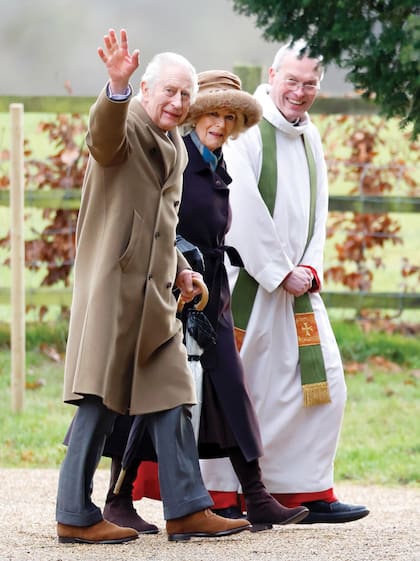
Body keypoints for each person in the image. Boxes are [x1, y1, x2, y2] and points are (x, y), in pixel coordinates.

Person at [55, 28, 251, 545]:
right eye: (169, 90)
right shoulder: (126, 127)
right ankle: (73, 513)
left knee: (171, 392)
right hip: (113, 290)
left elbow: (161, 224)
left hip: (156, 294)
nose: (178, 102)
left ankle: (186, 509)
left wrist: (182, 269)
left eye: (186, 94)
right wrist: (114, 88)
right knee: (97, 401)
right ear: (145, 89)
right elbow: (101, 137)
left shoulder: (175, 147)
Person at [105, 70, 310, 530]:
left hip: (213, 290)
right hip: (170, 290)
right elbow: (159, 221)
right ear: (195, 115)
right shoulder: (174, 156)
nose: (220, 123)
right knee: (150, 391)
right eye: (212, 113)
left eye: (229, 116)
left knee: (230, 388)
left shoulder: (219, 162)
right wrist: (180, 269)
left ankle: (256, 496)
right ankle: (118, 498)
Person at [197, 41, 370, 524]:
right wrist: (278, 271)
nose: (300, 92)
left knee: (324, 386)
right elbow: (243, 209)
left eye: (310, 84)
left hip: (298, 287)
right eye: (291, 81)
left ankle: (306, 490)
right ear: (272, 75)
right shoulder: (246, 134)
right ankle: (224, 496)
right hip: (253, 285)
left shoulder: (309, 134)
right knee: (240, 388)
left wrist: (310, 267)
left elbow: (319, 208)